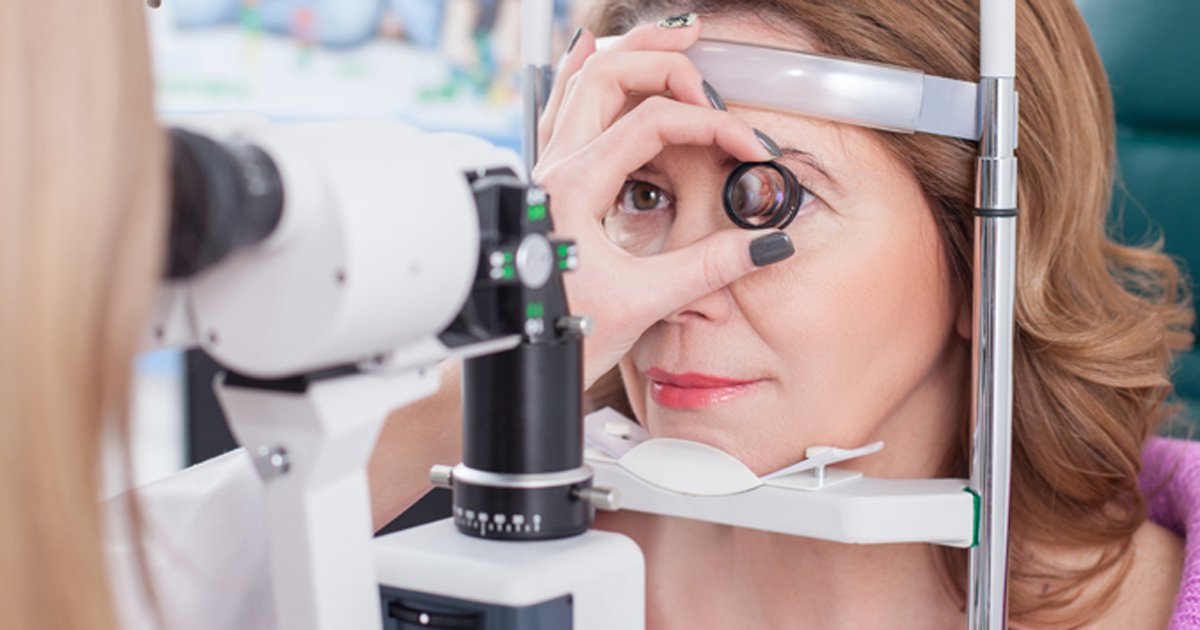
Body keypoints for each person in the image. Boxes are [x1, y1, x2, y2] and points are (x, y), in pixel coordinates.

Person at [1, 2, 1194, 630]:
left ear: (987, 254)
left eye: (765, 197)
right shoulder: (461, 549)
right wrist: (516, 343)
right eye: (641, 194)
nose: (676, 284)